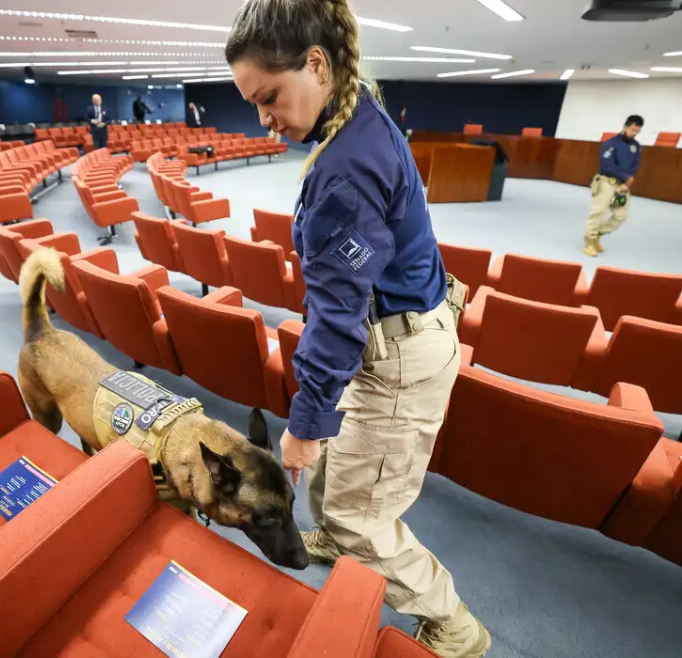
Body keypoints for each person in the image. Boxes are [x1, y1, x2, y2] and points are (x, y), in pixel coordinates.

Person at [227, 2, 490, 657]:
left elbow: (337, 322)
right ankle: (334, 527)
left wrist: (305, 426)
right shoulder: (358, 106)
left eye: (268, 97)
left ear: (316, 63)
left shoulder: (344, 170)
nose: (262, 117)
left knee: (355, 510)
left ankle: (452, 622)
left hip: (395, 352)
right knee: (341, 471)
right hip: (405, 326)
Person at [584, 115, 643, 257]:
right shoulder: (610, 144)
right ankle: (589, 242)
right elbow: (606, 166)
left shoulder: (636, 146)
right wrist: (625, 177)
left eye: (637, 131)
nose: (634, 133)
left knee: (620, 215)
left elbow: (635, 165)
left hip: (623, 185)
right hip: (606, 182)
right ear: (625, 127)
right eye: (632, 130)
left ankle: (598, 234)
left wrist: (627, 182)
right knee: (598, 213)